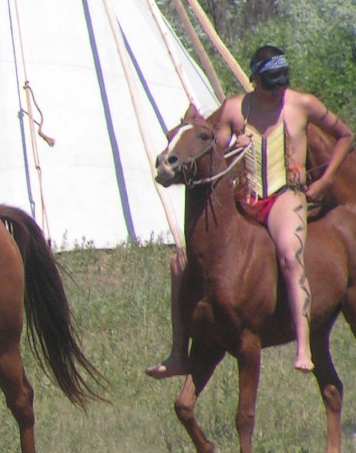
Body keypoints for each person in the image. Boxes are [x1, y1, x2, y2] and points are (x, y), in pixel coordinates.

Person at [147, 45, 352, 379]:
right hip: (246, 198)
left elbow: (344, 136)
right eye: (270, 83)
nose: (276, 90)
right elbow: (215, 155)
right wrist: (233, 146)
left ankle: (304, 343)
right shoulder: (234, 109)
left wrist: (325, 181)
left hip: (285, 196)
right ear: (255, 79)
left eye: (281, 82)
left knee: (288, 252)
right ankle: (177, 353)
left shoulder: (303, 104)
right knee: (183, 264)